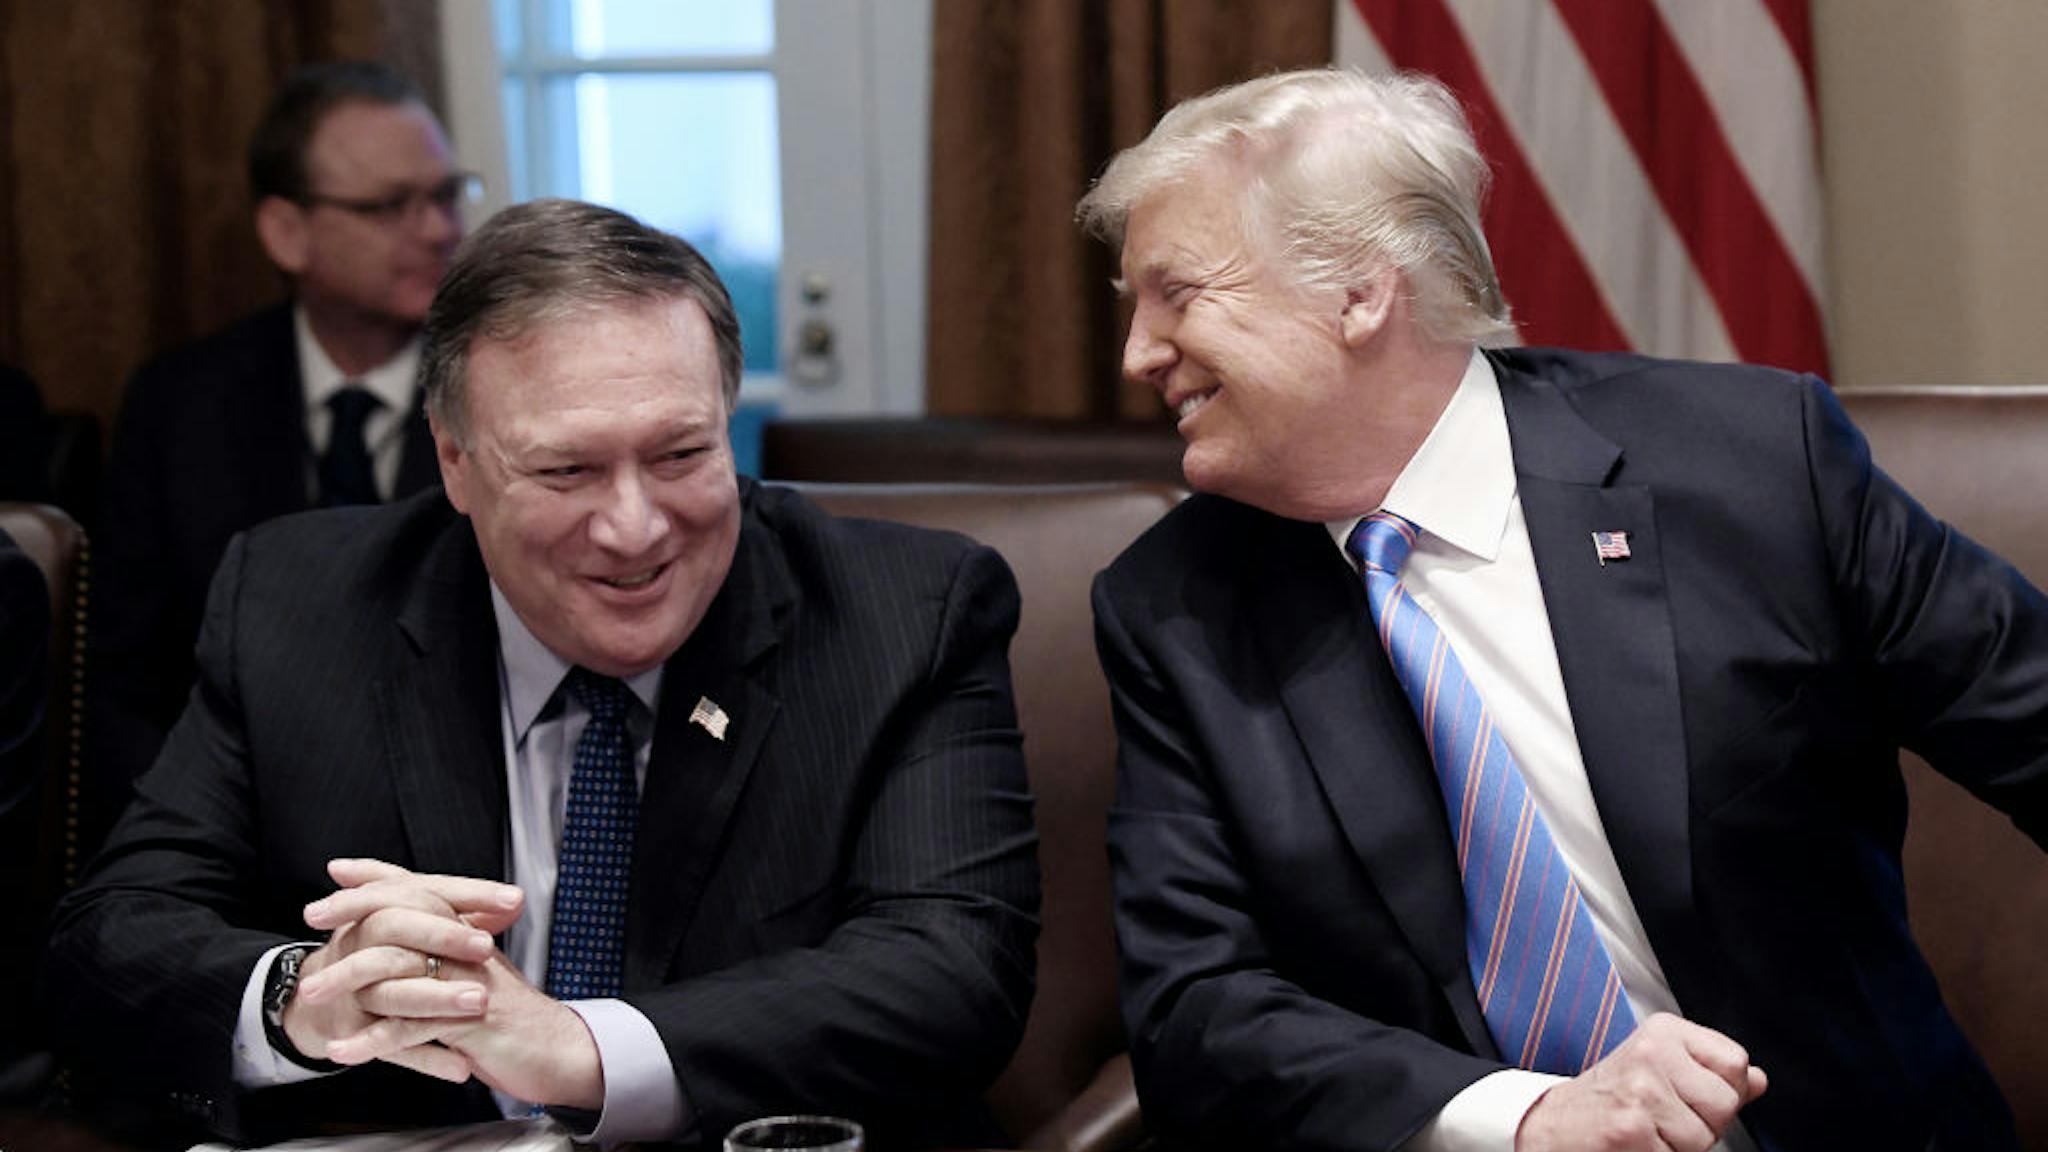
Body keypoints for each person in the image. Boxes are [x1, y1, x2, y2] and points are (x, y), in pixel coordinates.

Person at [1078, 68, 2048, 1152]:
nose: (1138, 354)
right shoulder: (1176, 609)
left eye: (1177, 294)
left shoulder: (1751, 467)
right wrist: (1526, 1116)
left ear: (1356, 292)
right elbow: (1194, 1011)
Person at [47, 199, 1039, 1149]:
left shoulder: (902, 616)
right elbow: (111, 940)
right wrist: (304, 999)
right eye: (567, 471)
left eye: (680, 454)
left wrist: (577, 1048)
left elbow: (952, 972)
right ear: (455, 461)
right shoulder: (299, 607)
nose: (635, 528)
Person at [91, 60, 467, 828]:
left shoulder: (498, 391)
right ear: (286, 233)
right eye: (391, 206)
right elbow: (120, 676)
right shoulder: (181, 402)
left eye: (446, 196)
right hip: (231, 822)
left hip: (456, 811)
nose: (437, 230)